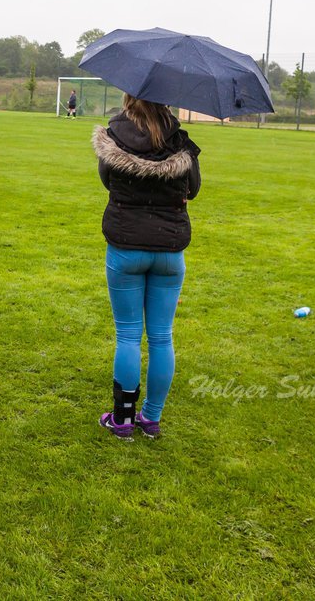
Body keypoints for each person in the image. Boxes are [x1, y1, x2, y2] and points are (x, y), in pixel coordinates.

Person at [92, 94, 200, 440]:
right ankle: (150, 418)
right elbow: (194, 189)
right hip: (169, 250)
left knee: (127, 335)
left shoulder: (114, 135)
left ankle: (122, 419)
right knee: (161, 336)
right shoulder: (181, 141)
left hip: (125, 247)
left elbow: (108, 180)